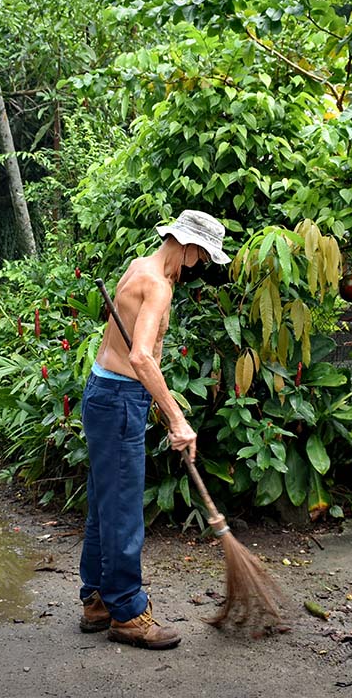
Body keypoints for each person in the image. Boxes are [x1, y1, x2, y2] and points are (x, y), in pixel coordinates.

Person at [77, 210, 231, 650]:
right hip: (120, 398)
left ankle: (96, 600)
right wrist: (178, 418)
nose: (199, 266)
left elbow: (131, 352)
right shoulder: (160, 287)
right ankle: (127, 613)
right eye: (201, 256)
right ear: (188, 247)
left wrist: (157, 404)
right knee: (123, 509)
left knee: (104, 503)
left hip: (102, 391)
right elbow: (143, 358)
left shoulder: (137, 267)